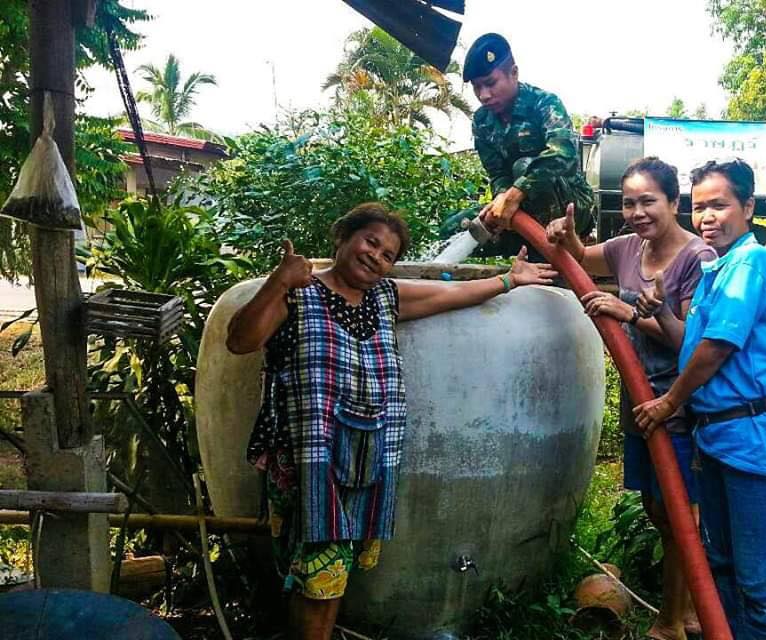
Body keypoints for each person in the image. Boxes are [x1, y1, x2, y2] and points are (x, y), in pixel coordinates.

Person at [226, 202, 556, 640]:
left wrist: (508, 280)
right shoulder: (298, 292)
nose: (376, 257)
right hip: (310, 465)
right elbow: (240, 340)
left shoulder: (384, 297)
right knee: (320, 577)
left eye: (387, 255)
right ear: (343, 236)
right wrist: (278, 281)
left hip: (362, 464)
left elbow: (448, 293)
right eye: (371, 242)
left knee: (323, 575)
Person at [546, 157, 715, 640]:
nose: (638, 211)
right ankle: (687, 613)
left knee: (680, 510)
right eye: (629, 202)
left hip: (677, 401)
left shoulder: (696, 259)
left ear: (674, 202)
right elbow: (582, 258)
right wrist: (567, 237)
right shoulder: (626, 248)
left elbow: (691, 343)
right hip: (638, 399)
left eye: (649, 201)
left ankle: (670, 623)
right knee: (660, 511)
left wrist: (626, 312)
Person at [633, 159, 766, 639]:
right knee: (722, 570)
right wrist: (663, 312)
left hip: (754, 444)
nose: (707, 217)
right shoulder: (716, 270)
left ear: (747, 206)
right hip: (719, 441)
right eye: (701, 207)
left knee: (757, 582)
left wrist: (669, 403)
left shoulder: (753, 263)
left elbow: (718, 349)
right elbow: (692, 341)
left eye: (720, 205)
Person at [463, 32, 595, 251]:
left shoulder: (544, 103)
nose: (484, 95)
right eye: (477, 87)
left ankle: (549, 250)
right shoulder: (481, 121)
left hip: (571, 207)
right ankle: (522, 241)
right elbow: (498, 174)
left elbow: (564, 155)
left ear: (513, 73)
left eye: (490, 83)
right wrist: (502, 199)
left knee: (524, 167)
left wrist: (517, 192)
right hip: (522, 211)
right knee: (459, 224)